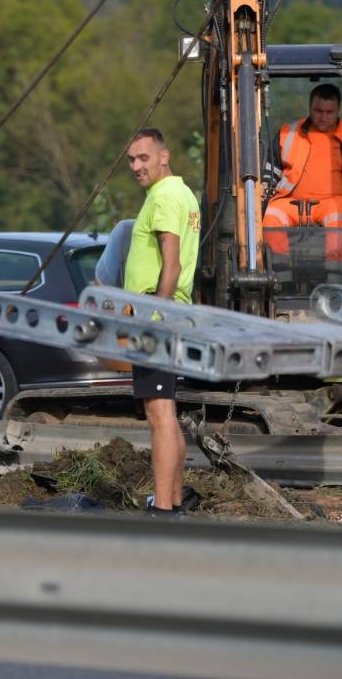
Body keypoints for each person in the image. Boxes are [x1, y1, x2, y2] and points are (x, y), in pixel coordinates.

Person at [121, 128, 200, 516]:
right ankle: (174, 498)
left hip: (156, 316)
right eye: (132, 160)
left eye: (144, 158)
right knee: (166, 409)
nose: (136, 166)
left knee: (159, 413)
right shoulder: (181, 194)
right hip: (168, 313)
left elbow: (173, 263)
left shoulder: (166, 196)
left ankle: (164, 507)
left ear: (164, 157)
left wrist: (157, 316)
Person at [262, 83, 342, 261]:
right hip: (292, 201)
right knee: (271, 217)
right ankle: (279, 274)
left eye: (329, 112)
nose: (323, 117)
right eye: (318, 111)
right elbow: (271, 169)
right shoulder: (288, 133)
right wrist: (263, 186)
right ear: (310, 108)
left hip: (332, 202)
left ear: (339, 110)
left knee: (340, 218)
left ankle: (336, 275)